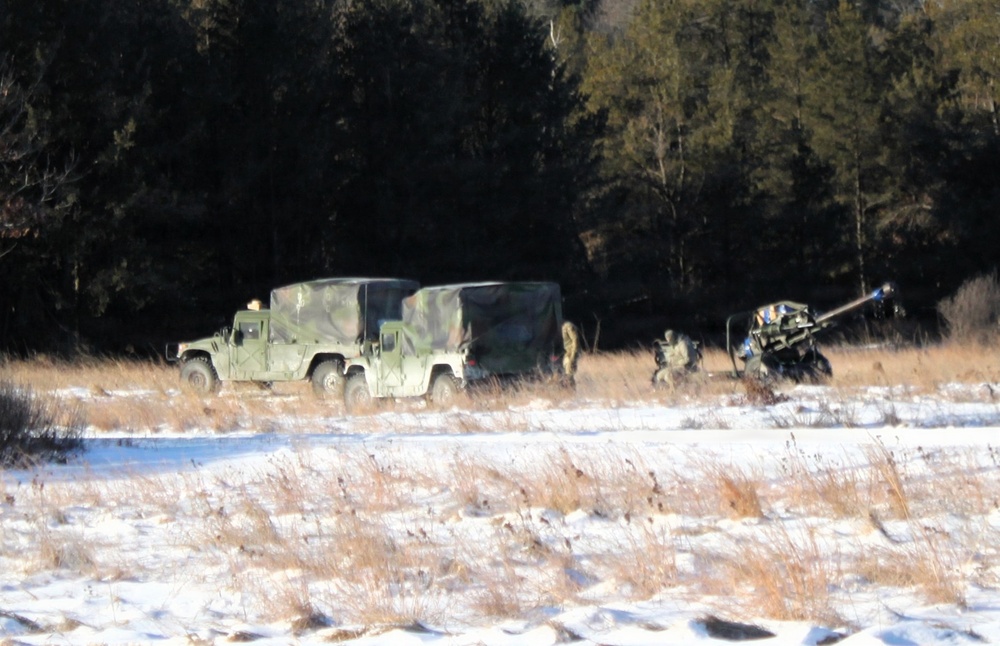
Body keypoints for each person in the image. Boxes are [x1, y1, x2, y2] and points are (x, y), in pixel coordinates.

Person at [561, 321, 580, 387]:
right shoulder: (561, 327)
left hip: (570, 353)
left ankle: (570, 392)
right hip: (566, 353)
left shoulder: (567, 326)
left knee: (569, 375)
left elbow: (575, 340)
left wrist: (573, 356)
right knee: (565, 375)